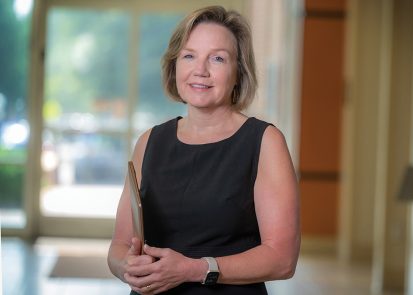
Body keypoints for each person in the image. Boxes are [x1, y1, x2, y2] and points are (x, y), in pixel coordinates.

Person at [107, 5, 300, 295]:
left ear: (239, 72)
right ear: (175, 65)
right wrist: (126, 267)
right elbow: (119, 246)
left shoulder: (264, 142)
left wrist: (194, 269)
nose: (200, 70)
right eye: (189, 56)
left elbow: (282, 259)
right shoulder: (149, 142)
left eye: (218, 59)